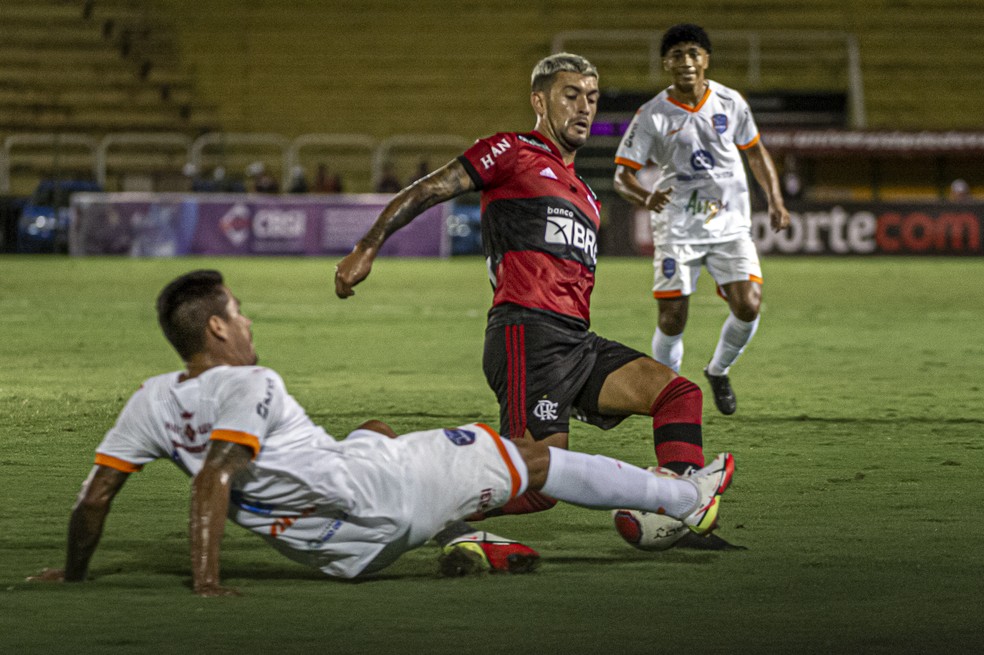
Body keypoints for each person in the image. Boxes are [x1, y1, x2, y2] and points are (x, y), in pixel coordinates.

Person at [28, 269, 735, 595]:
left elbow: (94, 500)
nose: (247, 322)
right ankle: (683, 498)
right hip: (382, 493)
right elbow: (215, 475)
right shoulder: (251, 382)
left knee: (373, 428)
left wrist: (75, 573)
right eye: (238, 313)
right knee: (534, 459)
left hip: (340, 554)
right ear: (216, 327)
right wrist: (205, 583)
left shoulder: (149, 402)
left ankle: (463, 536)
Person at [335, 53, 726, 565]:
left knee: (677, 394)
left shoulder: (587, 195)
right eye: (571, 95)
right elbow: (430, 188)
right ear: (539, 101)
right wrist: (368, 245)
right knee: (535, 485)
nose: (584, 107)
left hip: (577, 342)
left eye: (592, 98)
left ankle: (678, 510)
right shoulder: (512, 152)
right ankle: (396, 485)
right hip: (528, 334)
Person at [612, 24, 790, 416]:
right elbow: (621, 176)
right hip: (678, 227)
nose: (686, 61)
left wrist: (775, 200)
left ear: (706, 59)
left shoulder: (730, 101)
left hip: (729, 224)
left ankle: (718, 370)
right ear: (666, 63)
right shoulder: (652, 114)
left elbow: (756, 152)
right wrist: (646, 197)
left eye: (694, 53)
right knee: (672, 317)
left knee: (749, 304)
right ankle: (667, 395)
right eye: (677, 55)